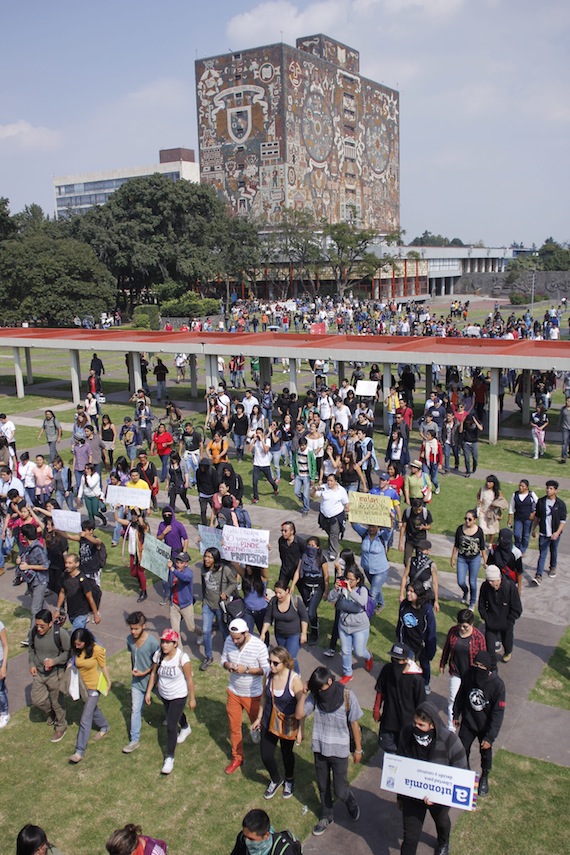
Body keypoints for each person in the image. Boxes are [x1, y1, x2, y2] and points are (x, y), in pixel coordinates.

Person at [297, 666, 362, 837]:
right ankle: (327, 815)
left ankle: (350, 800)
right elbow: (299, 715)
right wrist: (304, 693)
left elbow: (355, 725)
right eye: (316, 688)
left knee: (340, 790)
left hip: (339, 751)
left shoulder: (347, 696)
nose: (320, 691)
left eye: (321, 687)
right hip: (320, 749)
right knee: (323, 786)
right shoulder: (316, 696)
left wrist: (358, 749)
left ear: (330, 681)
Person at [397, 702, 468, 855]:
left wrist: (440, 796)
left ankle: (443, 841)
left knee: (441, 821)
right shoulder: (406, 734)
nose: (416, 727)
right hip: (412, 795)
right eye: (414, 723)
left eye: (421, 725)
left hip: (439, 797)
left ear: (432, 726)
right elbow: (400, 765)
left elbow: (461, 771)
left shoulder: (450, 741)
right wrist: (400, 796)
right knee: (410, 837)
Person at [251, 646, 304, 800]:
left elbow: (302, 707)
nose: (271, 666)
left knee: (286, 753)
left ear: (285, 663)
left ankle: (289, 779)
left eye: (275, 663)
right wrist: (259, 718)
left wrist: (301, 730)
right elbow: (264, 698)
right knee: (266, 755)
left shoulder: (294, 680)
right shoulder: (268, 675)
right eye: (269, 662)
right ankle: (276, 779)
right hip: (269, 720)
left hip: (287, 723)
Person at [221, 617, 270, 774]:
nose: (234, 641)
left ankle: (266, 753)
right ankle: (237, 757)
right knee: (234, 727)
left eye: (238, 638)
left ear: (246, 633)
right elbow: (223, 660)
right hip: (234, 692)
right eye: (233, 638)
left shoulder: (259, 646)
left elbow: (267, 670)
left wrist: (247, 670)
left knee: (260, 726)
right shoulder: (229, 640)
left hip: (253, 695)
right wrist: (228, 665)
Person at [453, 650, 506, 797]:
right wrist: (456, 713)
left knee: (485, 753)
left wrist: (490, 737)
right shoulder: (469, 675)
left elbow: (498, 713)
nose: (477, 667)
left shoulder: (497, 685)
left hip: (485, 726)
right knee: (462, 750)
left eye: (481, 666)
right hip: (469, 722)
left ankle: (484, 776)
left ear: (488, 668)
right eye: (475, 664)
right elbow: (461, 695)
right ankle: (466, 775)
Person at [145, 627, 196, 775]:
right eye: (163, 642)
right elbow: (154, 673)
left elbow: (189, 679)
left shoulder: (182, 658)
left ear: (175, 643)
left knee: (171, 726)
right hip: (164, 694)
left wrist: (192, 698)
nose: (164, 645)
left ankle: (169, 758)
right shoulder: (158, 655)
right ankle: (186, 727)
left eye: (168, 642)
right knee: (176, 715)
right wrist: (149, 692)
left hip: (179, 695)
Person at [68, 627, 111, 764]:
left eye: (79, 644)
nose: (77, 646)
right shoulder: (76, 650)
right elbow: (74, 661)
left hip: (94, 687)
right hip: (81, 687)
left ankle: (79, 751)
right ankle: (105, 726)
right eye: (75, 644)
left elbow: (103, 666)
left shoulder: (97, 650)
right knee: (92, 709)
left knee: (85, 719)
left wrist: (108, 682)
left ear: (86, 642)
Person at [439, 609, 487, 731]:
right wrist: (442, 663)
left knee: (470, 700)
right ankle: (451, 726)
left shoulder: (478, 638)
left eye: (465, 626)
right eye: (460, 625)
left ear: (472, 624)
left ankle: (469, 724)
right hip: (456, 671)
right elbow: (447, 649)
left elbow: (484, 657)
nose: (462, 629)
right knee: (453, 699)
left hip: (471, 674)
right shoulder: (453, 632)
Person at [373, 642, 425, 752]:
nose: (395, 662)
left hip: (407, 724)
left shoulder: (416, 679)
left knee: (405, 753)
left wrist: (418, 724)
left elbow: (421, 704)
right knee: (388, 750)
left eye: (399, 660)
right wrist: (376, 709)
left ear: (406, 660)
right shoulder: (387, 669)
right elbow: (380, 691)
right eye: (393, 659)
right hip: (389, 720)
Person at [29, 608, 71, 742]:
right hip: (39, 673)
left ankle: (61, 726)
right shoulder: (33, 632)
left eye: (42, 626)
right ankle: (51, 713)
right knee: (37, 700)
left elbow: (68, 652)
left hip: (55, 674)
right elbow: (31, 649)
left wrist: (55, 661)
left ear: (51, 623)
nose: (39, 629)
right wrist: (31, 664)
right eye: (37, 626)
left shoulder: (61, 634)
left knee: (57, 702)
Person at [123, 611, 160, 753]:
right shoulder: (129, 640)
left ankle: (177, 722)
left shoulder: (152, 642)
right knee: (135, 709)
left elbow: (158, 662)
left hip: (153, 681)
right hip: (136, 682)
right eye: (131, 628)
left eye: (136, 628)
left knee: (167, 702)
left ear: (143, 626)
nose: (133, 632)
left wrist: (146, 672)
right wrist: (134, 669)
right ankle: (134, 740)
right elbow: (133, 657)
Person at [328, 565, 372, 684]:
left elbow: (362, 601)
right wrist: (336, 589)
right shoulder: (342, 588)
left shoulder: (362, 589)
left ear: (357, 580)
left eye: (351, 580)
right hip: (344, 625)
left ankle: (368, 657)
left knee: (359, 651)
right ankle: (348, 673)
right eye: (347, 578)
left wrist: (350, 591)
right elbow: (329, 598)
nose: (348, 581)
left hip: (359, 626)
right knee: (346, 651)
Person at [199, 547, 238, 670]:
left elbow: (233, 583)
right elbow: (204, 585)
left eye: (209, 557)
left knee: (224, 630)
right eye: (206, 556)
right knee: (206, 631)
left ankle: (230, 654)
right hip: (207, 604)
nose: (206, 559)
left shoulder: (224, 570)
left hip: (220, 606)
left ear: (215, 559)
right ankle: (208, 656)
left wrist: (226, 592)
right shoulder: (203, 569)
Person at [396, 581, 437, 693]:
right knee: (406, 665)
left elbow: (431, 631)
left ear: (418, 594)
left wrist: (430, 650)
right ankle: (406, 685)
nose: (408, 593)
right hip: (408, 642)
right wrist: (400, 642)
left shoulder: (427, 609)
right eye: (407, 591)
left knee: (424, 664)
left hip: (422, 644)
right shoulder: (404, 605)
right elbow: (400, 625)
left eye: (412, 591)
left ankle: (426, 683)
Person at [478, 566, 523, 668]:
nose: (490, 583)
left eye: (492, 581)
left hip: (506, 623)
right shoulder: (485, 587)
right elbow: (481, 605)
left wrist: (509, 620)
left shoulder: (510, 587)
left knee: (507, 642)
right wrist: (486, 618)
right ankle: (492, 667)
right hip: (491, 622)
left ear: (499, 579)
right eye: (489, 580)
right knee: (489, 647)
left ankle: (508, 651)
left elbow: (517, 609)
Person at [260, 579, 308, 672]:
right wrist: (263, 633)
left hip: (294, 634)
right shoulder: (273, 601)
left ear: (287, 591)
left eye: (280, 593)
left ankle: (296, 675)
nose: (278, 595)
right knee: (283, 658)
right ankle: (286, 676)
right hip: (280, 635)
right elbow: (268, 618)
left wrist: (304, 633)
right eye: (276, 592)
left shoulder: (296, 600)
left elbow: (304, 617)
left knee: (291, 657)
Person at [290, 536, 328, 644]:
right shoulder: (303, 557)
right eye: (309, 545)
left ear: (318, 547)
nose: (310, 548)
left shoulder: (321, 559)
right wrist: (292, 585)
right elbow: (298, 571)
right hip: (306, 587)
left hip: (317, 589)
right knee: (307, 610)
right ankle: (307, 627)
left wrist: (326, 591)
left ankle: (314, 632)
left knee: (311, 612)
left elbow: (326, 575)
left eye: (313, 546)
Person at [531, 479, 567, 584]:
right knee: (542, 554)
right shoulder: (541, 502)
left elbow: (563, 521)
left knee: (554, 551)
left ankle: (553, 567)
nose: (548, 490)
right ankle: (538, 575)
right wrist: (533, 529)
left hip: (555, 533)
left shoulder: (560, 504)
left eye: (551, 488)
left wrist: (557, 532)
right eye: (547, 488)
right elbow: (537, 517)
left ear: (556, 491)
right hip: (543, 533)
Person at [55, 553, 101, 632]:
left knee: (76, 635)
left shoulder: (82, 580)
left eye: (70, 563)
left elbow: (90, 597)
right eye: (66, 563)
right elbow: (62, 593)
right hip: (71, 612)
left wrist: (96, 614)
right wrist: (57, 609)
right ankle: (96, 643)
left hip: (81, 614)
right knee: (83, 635)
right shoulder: (64, 576)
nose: (67, 565)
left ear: (77, 564)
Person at [450, 509, 486, 608]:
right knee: (460, 581)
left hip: (474, 559)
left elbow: (482, 547)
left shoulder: (479, 531)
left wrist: (485, 561)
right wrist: (452, 558)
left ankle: (472, 601)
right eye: (465, 518)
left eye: (469, 519)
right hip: (462, 558)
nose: (467, 521)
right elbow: (456, 545)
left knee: (472, 582)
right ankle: (465, 592)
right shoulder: (460, 529)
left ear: (475, 520)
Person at [311, 473, 350, 562]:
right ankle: (332, 545)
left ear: (336, 481)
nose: (329, 483)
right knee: (330, 533)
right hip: (324, 516)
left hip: (335, 517)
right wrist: (314, 490)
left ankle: (333, 553)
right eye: (328, 480)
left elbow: (346, 503)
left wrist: (347, 509)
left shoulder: (341, 490)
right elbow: (313, 496)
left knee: (334, 534)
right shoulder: (324, 487)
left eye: (331, 481)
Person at [230, 809, 301, 855]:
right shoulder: (242, 838)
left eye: (251, 839)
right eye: (245, 836)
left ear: (266, 835)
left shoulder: (285, 852)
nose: (246, 841)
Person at [400, 539, 440, 613]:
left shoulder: (432, 565)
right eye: (418, 549)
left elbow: (435, 583)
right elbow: (404, 577)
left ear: (428, 551)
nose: (419, 551)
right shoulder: (411, 561)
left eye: (422, 549)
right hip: (412, 593)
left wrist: (436, 601)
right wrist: (401, 594)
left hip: (425, 595)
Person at [487, 527, 524, 594]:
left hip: (510, 583)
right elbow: (490, 566)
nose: (502, 541)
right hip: (495, 582)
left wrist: (519, 588)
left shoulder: (516, 552)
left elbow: (519, 572)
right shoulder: (494, 549)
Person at [507, 479, 538, 556]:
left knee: (526, 535)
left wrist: (534, 513)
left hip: (528, 518)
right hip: (518, 517)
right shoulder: (515, 495)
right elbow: (511, 507)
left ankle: (522, 549)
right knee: (517, 534)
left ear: (527, 487)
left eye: (522, 486)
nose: (520, 487)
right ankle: (517, 547)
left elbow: (539, 504)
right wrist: (509, 519)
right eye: (520, 486)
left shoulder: (531, 494)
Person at [249, 428, 279, 503]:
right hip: (256, 464)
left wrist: (262, 440)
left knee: (270, 479)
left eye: (260, 433)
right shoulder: (254, 441)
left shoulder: (267, 440)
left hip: (265, 464)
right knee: (254, 481)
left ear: (262, 433)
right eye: (257, 433)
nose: (258, 434)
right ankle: (256, 497)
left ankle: (275, 488)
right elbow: (249, 450)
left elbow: (266, 450)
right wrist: (253, 440)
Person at [477, 475, 505, 544]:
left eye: (490, 482)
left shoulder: (497, 492)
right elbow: (478, 495)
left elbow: (501, 501)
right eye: (487, 482)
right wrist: (479, 500)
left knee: (491, 530)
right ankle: (482, 545)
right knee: (482, 529)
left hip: (492, 514)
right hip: (483, 512)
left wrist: (498, 510)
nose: (488, 484)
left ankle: (490, 544)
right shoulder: (483, 489)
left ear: (494, 483)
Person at [459, 414, 483, 478]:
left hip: (474, 442)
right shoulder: (465, 423)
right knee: (467, 458)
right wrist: (462, 422)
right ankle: (468, 471)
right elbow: (460, 431)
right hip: (466, 442)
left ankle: (474, 466)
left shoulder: (477, 422)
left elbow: (481, 428)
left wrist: (475, 421)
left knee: (475, 458)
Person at [0, 617, 9, 728]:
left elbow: (6, 646)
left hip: (0, 661)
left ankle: (5, 712)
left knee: (0, 690)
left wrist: (3, 666)